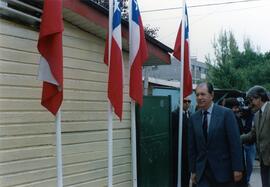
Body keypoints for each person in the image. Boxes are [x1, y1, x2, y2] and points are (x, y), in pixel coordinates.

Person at [188, 82, 244, 187]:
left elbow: (235, 143)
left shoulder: (226, 114)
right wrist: (193, 170)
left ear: (212, 95)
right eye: (197, 94)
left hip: (223, 172)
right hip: (202, 172)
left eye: (203, 94)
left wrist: (237, 168)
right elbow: (192, 148)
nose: (199, 97)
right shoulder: (193, 118)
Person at [241, 85, 270, 187]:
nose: (249, 104)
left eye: (251, 100)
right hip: (264, 161)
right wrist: (235, 139)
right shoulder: (257, 115)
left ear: (259, 97)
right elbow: (252, 135)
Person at [172, 97, 192, 187]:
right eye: (185, 101)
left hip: (188, 151)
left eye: (189, 101)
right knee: (178, 174)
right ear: (180, 102)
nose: (187, 103)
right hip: (178, 150)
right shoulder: (175, 114)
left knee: (187, 174)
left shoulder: (191, 115)